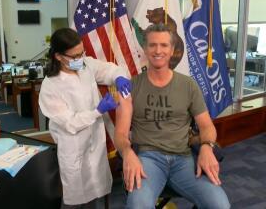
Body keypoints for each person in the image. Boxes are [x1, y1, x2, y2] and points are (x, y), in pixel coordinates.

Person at [114, 23, 230, 209]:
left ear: (173, 49)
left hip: (183, 159)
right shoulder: (131, 87)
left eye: (164, 45)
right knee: (138, 206)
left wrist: (207, 148)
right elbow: (120, 134)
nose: (157, 50)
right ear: (145, 48)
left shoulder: (188, 85)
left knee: (219, 205)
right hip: (148, 160)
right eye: (152, 45)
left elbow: (207, 126)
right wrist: (128, 154)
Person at [39, 28, 131, 209]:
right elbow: (70, 123)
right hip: (73, 147)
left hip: (95, 144)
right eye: (75, 56)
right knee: (73, 199)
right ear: (58, 56)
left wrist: (119, 77)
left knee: (93, 196)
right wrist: (97, 111)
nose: (80, 59)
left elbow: (109, 70)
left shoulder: (85, 66)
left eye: (82, 53)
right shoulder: (51, 86)